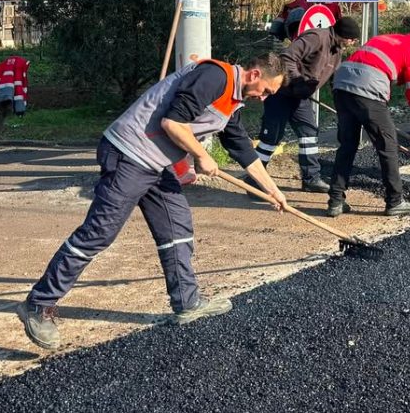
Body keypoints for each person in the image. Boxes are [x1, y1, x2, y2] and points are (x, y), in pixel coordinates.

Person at [17, 53, 289, 351]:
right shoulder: (216, 77)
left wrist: (273, 191)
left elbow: (242, 149)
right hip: (129, 153)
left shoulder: (233, 100)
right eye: (266, 90)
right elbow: (173, 122)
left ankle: (187, 301)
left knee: (177, 227)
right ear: (253, 74)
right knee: (99, 232)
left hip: (157, 163)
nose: (264, 98)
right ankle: (39, 304)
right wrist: (200, 155)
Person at [327, 18, 410, 217]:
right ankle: (395, 201)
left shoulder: (387, 39)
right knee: (388, 146)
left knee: (348, 145)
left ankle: (335, 201)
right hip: (366, 89)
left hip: (341, 84)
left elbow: (387, 70)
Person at [250, 16, 361, 194]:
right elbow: (287, 57)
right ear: (344, 35)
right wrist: (298, 80)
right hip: (281, 93)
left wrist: (344, 101)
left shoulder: (336, 50)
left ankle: (311, 178)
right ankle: (254, 179)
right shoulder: (317, 37)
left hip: (300, 98)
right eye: (352, 38)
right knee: (271, 137)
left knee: (309, 133)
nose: (353, 42)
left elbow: (334, 77)